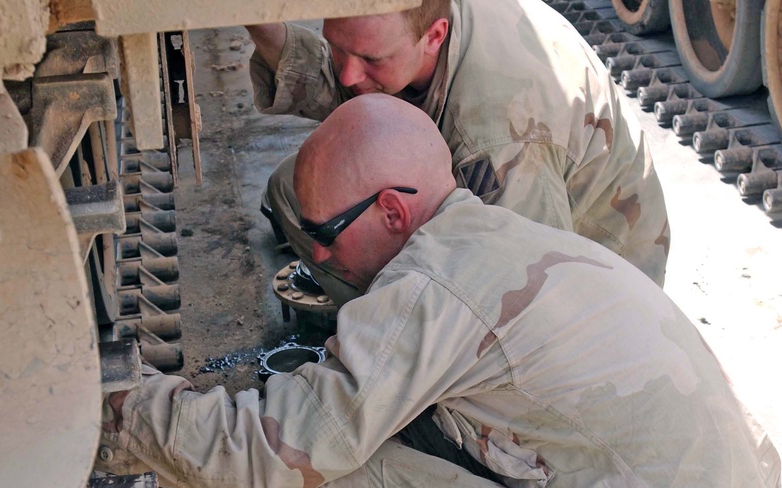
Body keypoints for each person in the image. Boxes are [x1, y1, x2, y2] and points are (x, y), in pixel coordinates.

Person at [98, 94, 782, 488]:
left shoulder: (431, 288)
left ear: (391, 211)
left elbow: (257, 457)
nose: (315, 259)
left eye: (321, 236)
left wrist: (120, 412)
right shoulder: (512, 239)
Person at [245, 0, 671, 307]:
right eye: (338, 47)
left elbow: (519, 294)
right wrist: (258, 22)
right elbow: (347, 78)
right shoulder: (420, 21)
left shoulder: (499, 138)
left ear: (434, 37)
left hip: (597, 284)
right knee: (301, 190)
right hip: (537, 228)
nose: (348, 73)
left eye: (371, 59)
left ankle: (392, 347)